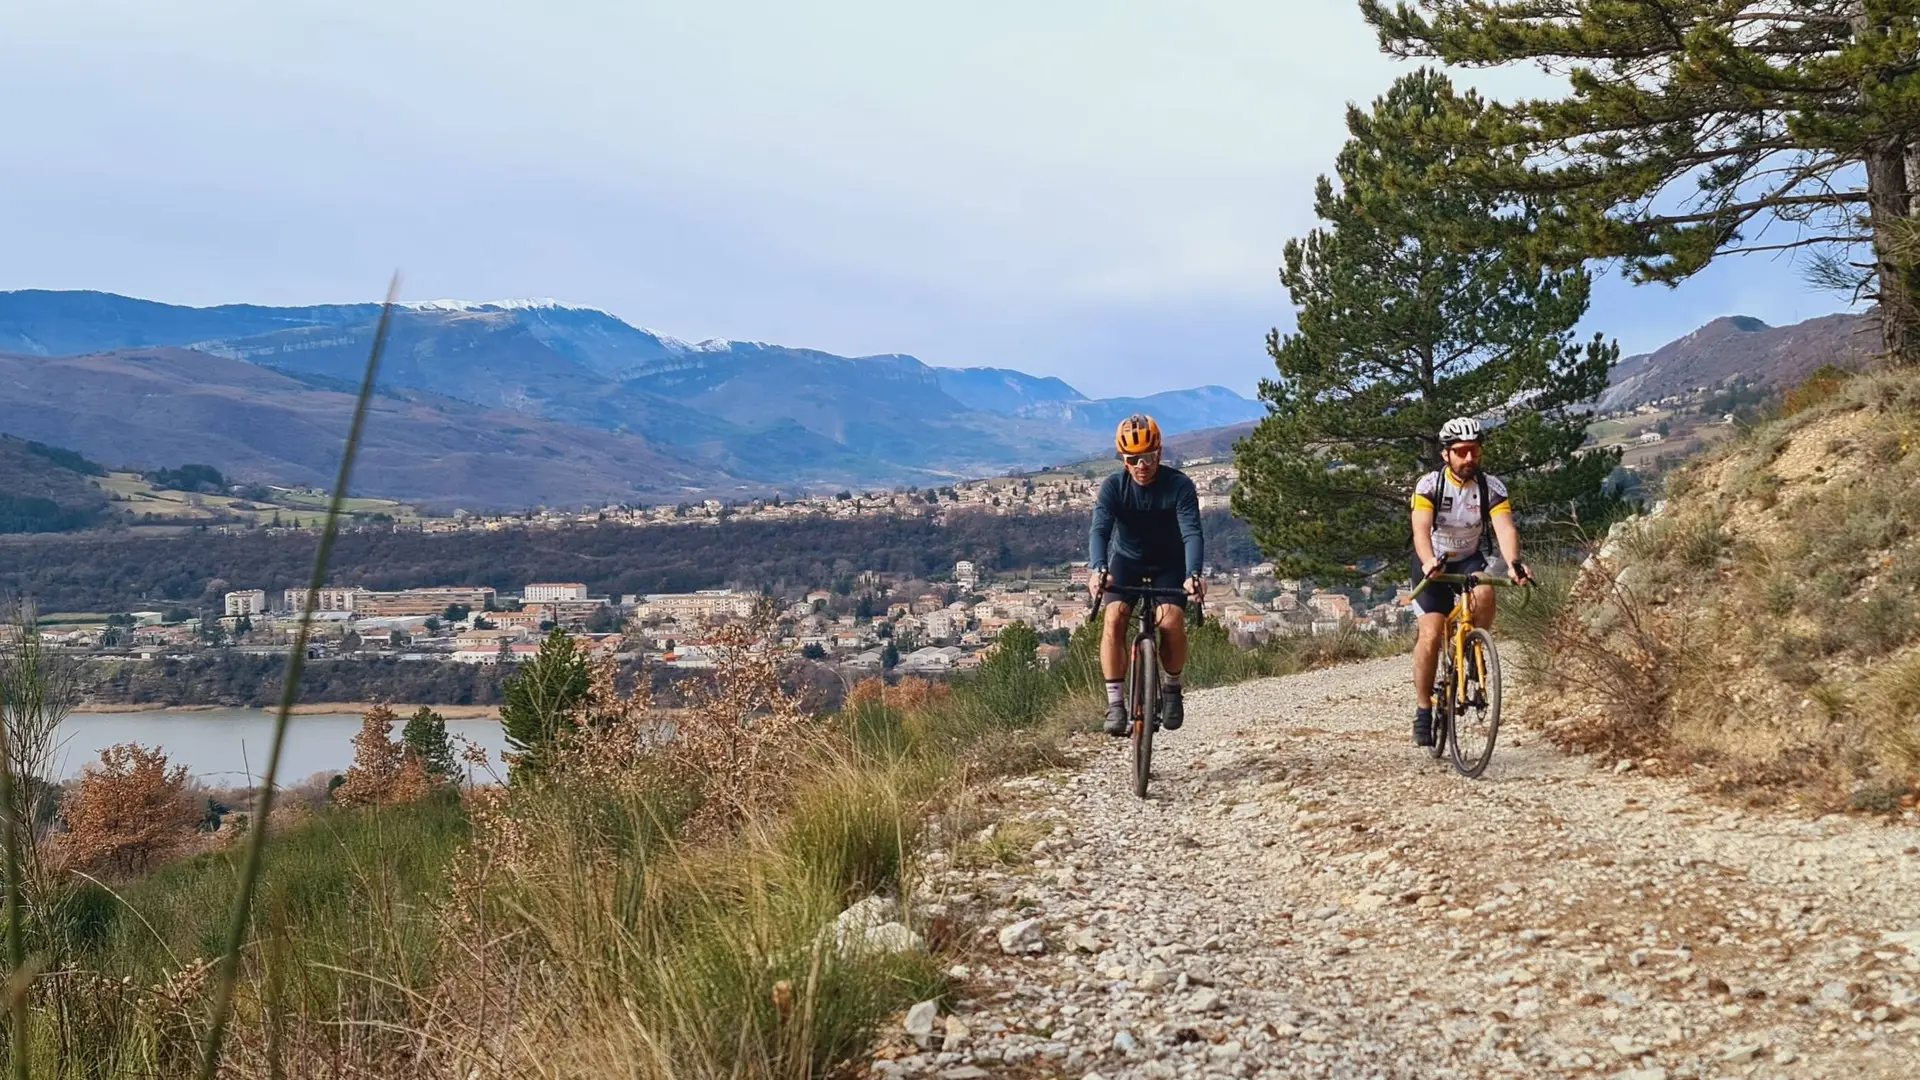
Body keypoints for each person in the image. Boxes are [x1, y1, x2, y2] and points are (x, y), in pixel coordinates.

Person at [1409, 416, 1533, 747]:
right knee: (1432, 633)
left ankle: (1473, 649)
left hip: (1469, 558)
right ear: (1446, 454)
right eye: (1462, 452)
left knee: (1485, 590)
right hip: (1433, 560)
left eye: (1474, 451)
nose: (1469, 459)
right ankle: (1423, 709)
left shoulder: (1490, 487)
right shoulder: (1429, 486)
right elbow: (1420, 529)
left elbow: (1505, 528)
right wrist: (1427, 563)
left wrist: (1513, 564)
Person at [1088, 414, 1206, 736]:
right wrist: (1098, 569)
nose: (1142, 465)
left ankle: (1171, 687)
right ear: (1123, 460)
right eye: (1133, 459)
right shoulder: (1114, 487)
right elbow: (1099, 532)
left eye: (1149, 457)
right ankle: (1115, 704)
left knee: (1170, 623)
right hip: (1127, 561)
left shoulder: (1179, 485)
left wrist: (1193, 575)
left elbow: (1192, 534)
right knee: (1114, 619)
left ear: (1160, 453)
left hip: (1169, 563)